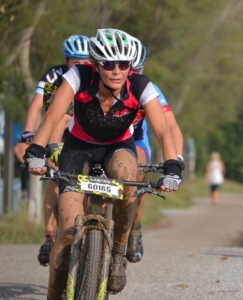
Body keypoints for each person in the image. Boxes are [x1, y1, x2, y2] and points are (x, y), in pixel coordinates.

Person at [24, 28, 182, 299]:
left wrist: (173, 167)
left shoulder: (141, 85)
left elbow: (164, 130)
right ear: (96, 65)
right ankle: (53, 294)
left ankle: (119, 252)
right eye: (109, 65)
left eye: (123, 65)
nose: (117, 71)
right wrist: (36, 150)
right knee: (68, 230)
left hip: (118, 146)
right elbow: (52, 115)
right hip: (78, 148)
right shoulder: (78, 76)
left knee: (127, 177)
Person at [13, 35, 91, 266]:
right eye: (77, 63)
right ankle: (49, 238)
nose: (83, 66)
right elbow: (38, 104)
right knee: (56, 180)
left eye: (87, 62)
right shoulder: (55, 76)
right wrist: (28, 134)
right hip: (58, 131)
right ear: (67, 61)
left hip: (85, 132)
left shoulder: (98, 77)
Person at [126, 38, 184, 263]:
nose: (129, 74)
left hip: (135, 140)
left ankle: (135, 229)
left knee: (138, 175)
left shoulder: (149, 89)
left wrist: (175, 161)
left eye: (136, 69)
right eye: (125, 67)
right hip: (101, 141)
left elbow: (169, 126)